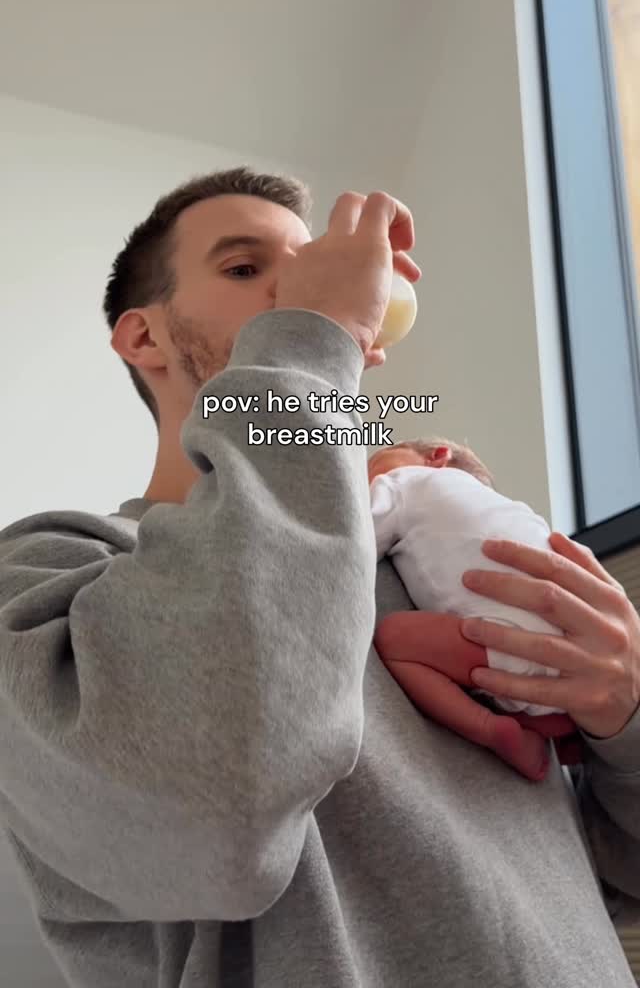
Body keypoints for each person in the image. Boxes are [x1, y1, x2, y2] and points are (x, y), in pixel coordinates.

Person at [0, 166, 639, 988]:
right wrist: (312, 332)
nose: (295, 290)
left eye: (308, 270)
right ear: (143, 338)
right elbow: (217, 814)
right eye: (244, 267)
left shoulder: (419, 554)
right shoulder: (53, 569)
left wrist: (625, 724)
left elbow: (614, 881)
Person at [367, 436, 582, 782]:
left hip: (503, 640)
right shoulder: (511, 511)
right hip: (574, 651)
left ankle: (492, 728)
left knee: (394, 639)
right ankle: (559, 726)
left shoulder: (405, 482)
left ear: (437, 457)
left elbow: (353, 534)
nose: (366, 476)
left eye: (374, 465)